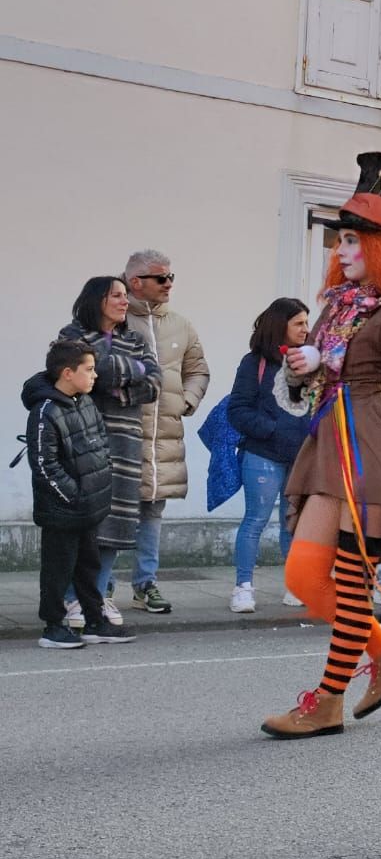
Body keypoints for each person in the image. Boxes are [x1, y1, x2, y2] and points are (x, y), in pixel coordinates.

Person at [260, 152, 381, 738]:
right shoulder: (337, 306)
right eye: (339, 239)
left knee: (347, 581)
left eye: (350, 241)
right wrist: (302, 368)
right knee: (302, 576)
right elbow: (308, 383)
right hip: (330, 443)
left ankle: (327, 700)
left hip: (369, 450)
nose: (340, 251)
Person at [56, 276, 160, 629]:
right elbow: (86, 371)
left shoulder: (136, 339)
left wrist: (121, 387)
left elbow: (155, 383)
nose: (123, 301)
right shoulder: (72, 335)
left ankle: (96, 598)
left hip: (125, 442)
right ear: (96, 299)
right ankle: (73, 599)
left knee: (114, 522)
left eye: (124, 295)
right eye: (116, 295)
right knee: (84, 522)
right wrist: (133, 371)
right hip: (82, 438)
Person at [112, 250, 209, 615]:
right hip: (121, 433)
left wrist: (187, 401)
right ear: (136, 282)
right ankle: (101, 585)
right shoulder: (116, 319)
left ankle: (145, 583)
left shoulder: (181, 324)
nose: (169, 284)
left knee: (152, 511)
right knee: (111, 511)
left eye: (171, 277)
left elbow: (199, 368)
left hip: (164, 436)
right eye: (161, 278)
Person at [25, 340, 134, 648]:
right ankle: (53, 626)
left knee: (89, 566)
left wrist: (98, 489)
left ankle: (95, 620)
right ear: (68, 373)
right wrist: (75, 496)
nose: (94, 376)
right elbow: (45, 466)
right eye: (88, 370)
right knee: (58, 569)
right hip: (64, 510)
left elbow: (101, 443)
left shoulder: (84, 401)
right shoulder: (45, 411)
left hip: (89, 507)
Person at [227, 298, 312, 613]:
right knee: (255, 521)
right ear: (281, 326)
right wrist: (272, 428)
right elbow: (238, 409)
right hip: (263, 453)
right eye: (299, 323)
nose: (306, 329)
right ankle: (243, 588)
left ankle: (295, 585)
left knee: (293, 525)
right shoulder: (254, 363)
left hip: (301, 455)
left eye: (307, 322)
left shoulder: (309, 361)